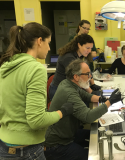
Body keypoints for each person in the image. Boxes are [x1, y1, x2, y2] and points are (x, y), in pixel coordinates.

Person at [0, 22, 73, 160]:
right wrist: (62, 112)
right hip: (26, 150)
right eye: (48, 42)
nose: (49, 48)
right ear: (40, 41)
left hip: (4, 146)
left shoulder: (6, 66)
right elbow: (37, 120)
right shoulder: (36, 69)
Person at [44, 59, 122, 160]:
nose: (90, 77)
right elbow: (88, 117)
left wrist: (103, 99)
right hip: (57, 144)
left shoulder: (68, 83)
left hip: (67, 133)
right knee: (93, 156)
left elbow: (86, 96)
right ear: (76, 76)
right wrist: (110, 102)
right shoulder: (69, 92)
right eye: (87, 74)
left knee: (97, 135)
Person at [49, 34, 101, 100]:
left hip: (69, 88)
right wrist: (91, 92)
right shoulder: (69, 57)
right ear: (79, 45)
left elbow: (88, 71)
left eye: (91, 48)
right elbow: (79, 77)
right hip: (58, 91)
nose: (90, 51)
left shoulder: (81, 55)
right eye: (87, 48)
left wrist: (92, 84)